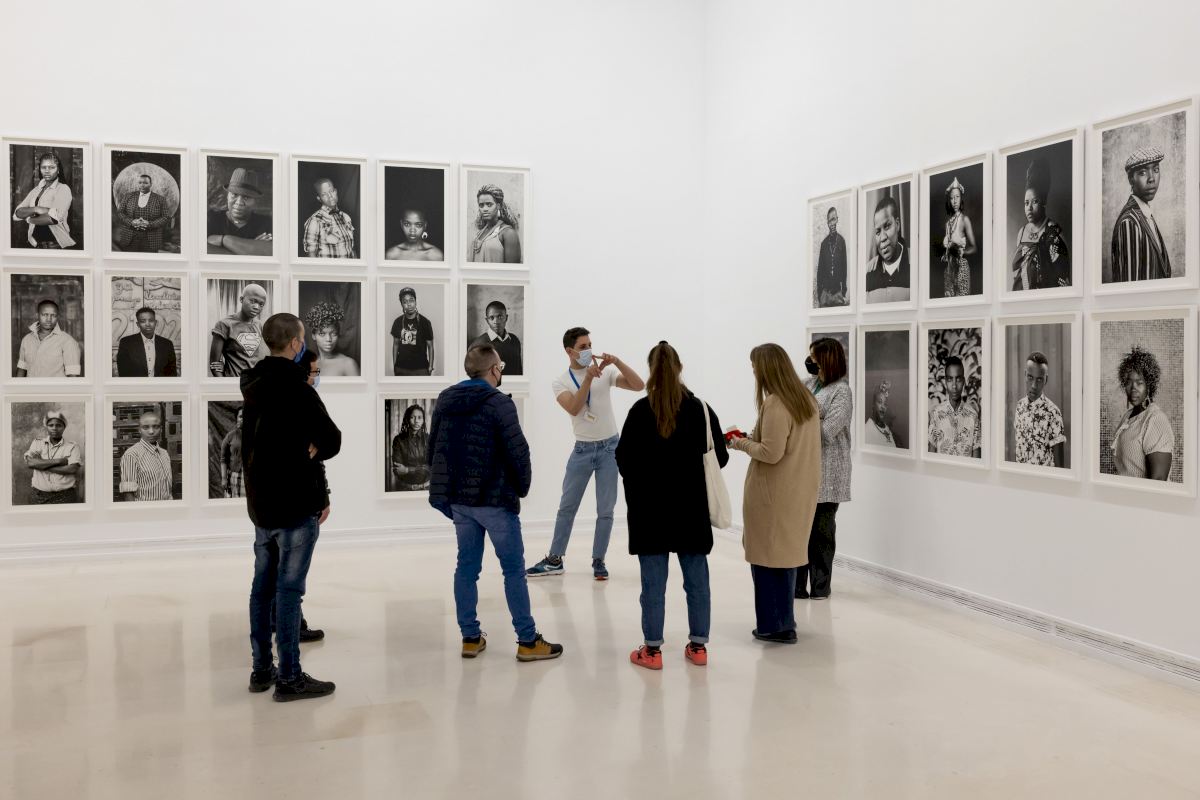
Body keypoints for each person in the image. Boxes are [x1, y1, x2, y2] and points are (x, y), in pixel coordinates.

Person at [428, 343, 562, 662]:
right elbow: (518, 452)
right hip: (494, 499)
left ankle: (470, 638)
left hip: (460, 501)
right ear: (493, 370)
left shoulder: (446, 399)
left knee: (466, 567)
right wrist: (521, 487)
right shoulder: (500, 403)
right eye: (500, 366)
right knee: (513, 569)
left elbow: (433, 448)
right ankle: (527, 641)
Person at [242, 313, 341, 700]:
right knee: (288, 592)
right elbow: (331, 438)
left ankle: (261, 670)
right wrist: (313, 445)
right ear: (296, 344)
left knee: (261, 590)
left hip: (262, 505)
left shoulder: (252, 384)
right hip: (295, 504)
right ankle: (289, 678)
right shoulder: (298, 389)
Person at [616, 341, 725, 669]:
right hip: (691, 509)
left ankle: (652, 652)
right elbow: (719, 457)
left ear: (651, 370)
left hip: (649, 511)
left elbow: (623, 459)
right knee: (697, 582)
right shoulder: (700, 409)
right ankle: (699, 647)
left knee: (653, 585)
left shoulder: (639, 410)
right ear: (680, 368)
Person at [528, 328, 645, 580]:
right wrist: (588, 379)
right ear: (569, 351)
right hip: (582, 450)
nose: (589, 350)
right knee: (567, 507)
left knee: (606, 510)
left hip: (610, 448)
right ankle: (555, 559)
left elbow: (639, 385)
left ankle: (598, 560)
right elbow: (574, 407)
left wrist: (618, 362)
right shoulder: (560, 381)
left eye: (590, 344)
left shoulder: (606, 372)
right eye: (583, 347)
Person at [727, 343, 821, 644]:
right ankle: (785, 622)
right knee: (785, 559)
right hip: (797, 492)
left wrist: (738, 442)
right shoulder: (805, 399)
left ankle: (772, 626)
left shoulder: (776, 404)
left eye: (755, 366)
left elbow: (770, 453)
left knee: (766, 560)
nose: (754, 372)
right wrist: (749, 437)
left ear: (766, 369)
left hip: (773, 496)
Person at [798, 338, 852, 600]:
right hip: (804, 469)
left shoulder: (842, 391)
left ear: (826, 360)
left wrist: (806, 417)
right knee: (800, 531)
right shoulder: (808, 384)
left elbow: (827, 431)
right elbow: (791, 411)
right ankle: (797, 586)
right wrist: (815, 415)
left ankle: (820, 587)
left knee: (822, 533)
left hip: (830, 472)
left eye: (814, 357)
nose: (810, 361)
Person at [1111, 346, 1173, 480]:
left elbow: (1158, 480)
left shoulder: (1155, 420)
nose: (1133, 388)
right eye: (1129, 382)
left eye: (1139, 383)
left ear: (1149, 386)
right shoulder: (1128, 416)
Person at [1111, 146, 1170, 282]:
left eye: (1156, 170)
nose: (1151, 178)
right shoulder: (1129, 222)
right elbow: (1130, 286)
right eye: (1143, 173)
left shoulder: (1146, 215)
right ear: (1131, 179)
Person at [1011, 158, 1070, 290]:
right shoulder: (1021, 232)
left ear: (1043, 202)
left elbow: (1063, 280)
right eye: (1026, 203)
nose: (1029, 208)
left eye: (1035, 202)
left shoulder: (1054, 233)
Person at [12, 151, 75, 249]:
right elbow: (17, 214)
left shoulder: (63, 189)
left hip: (55, 245)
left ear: (58, 170)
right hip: (35, 244)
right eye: (43, 167)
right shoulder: (36, 190)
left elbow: (53, 219)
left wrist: (28, 218)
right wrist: (36, 209)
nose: (47, 171)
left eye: (52, 167)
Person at [1013, 351, 1065, 467]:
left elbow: (1060, 467)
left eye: (1039, 379)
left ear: (1046, 379)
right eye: (1030, 377)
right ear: (1025, 375)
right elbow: (1018, 448)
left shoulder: (1053, 412)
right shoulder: (1019, 406)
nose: (1034, 385)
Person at [207, 167, 273, 256]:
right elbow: (202, 250)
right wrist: (251, 247)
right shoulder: (212, 219)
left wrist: (224, 240)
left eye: (246, 197)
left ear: (255, 201)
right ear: (227, 196)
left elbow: (270, 252)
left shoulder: (266, 223)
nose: (239, 202)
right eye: (234, 195)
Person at [22, 410, 82, 505]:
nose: (54, 428)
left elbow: (72, 469)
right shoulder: (37, 443)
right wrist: (59, 461)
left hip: (65, 496)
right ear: (46, 427)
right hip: (39, 495)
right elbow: (30, 463)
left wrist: (41, 465)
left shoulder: (73, 446)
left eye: (58, 425)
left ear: (64, 427)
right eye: (51, 425)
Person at [927, 355, 981, 458]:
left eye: (958, 379)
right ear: (945, 381)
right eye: (950, 379)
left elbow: (976, 459)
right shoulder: (936, 414)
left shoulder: (973, 416)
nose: (954, 385)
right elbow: (930, 456)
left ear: (964, 381)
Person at [209, 283, 268, 378]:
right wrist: (225, 383)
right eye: (253, 301)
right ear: (241, 299)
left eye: (261, 304)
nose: (256, 307)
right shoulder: (224, 324)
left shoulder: (261, 325)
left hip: (256, 384)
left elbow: (259, 358)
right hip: (234, 383)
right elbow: (214, 364)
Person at [16, 299, 82, 378]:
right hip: (30, 386)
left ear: (57, 317)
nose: (49, 319)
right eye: (45, 315)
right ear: (37, 315)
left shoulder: (68, 341)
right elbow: (21, 369)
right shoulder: (27, 339)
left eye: (53, 315)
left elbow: (73, 376)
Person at [119, 410, 174, 502]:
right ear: (139, 430)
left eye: (155, 427)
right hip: (145, 510)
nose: (151, 431)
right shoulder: (131, 455)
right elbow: (128, 495)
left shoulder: (164, 453)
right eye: (146, 427)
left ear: (161, 429)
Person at [864, 195, 910, 303]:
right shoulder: (867, 272)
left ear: (897, 225)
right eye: (878, 232)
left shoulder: (917, 263)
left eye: (887, 226)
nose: (883, 238)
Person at [113, 173, 170, 252]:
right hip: (129, 238)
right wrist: (131, 222)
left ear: (151, 184)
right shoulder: (128, 196)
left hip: (151, 239)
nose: (142, 185)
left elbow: (166, 217)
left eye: (145, 183)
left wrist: (150, 224)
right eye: (140, 183)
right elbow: (120, 213)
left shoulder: (160, 199)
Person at [302, 177, 356, 259]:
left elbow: (351, 249)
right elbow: (311, 256)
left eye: (331, 191)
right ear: (319, 198)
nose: (330, 196)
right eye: (324, 194)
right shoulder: (315, 221)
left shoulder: (346, 217)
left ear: (336, 191)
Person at [116, 307, 178, 377]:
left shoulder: (167, 344)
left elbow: (172, 374)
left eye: (151, 320)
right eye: (143, 321)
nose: (147, 324)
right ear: (138, 324)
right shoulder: (126, 343)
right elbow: (123, 373)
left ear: (155, 323)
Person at [468, 184, 522, 263]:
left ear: (498, 206)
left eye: (489, 204)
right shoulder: (479, 233)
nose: (485, 209)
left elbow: (512, 269)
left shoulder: (508, 233)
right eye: (481, 205)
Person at [303, 302, 359, 377]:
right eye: (322, 334)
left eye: (333, 334)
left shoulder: (348, 364)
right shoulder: (308, 365)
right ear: (314, 336)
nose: (328, 339)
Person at [941, 178, 976, 297]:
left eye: (957, 197)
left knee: (962, 300)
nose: (955, 201)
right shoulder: (948, 224)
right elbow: (948, 248)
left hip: (961, 267)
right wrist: (945, 254)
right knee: (948, 301)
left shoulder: (965, 220)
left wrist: (962, 252)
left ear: (961, 198)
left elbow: (974, 248)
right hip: (949, 269)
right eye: (952, 198)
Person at [390, 287, 436, 377]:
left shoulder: (425, 322)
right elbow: (395, 344)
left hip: (421, 369)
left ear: (415, 301)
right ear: (402, 304)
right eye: (405, 302)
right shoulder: (397, 322)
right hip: (401, 369)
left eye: (411, 300)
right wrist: (395, 365)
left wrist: (430, 367)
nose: (409, 304)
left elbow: (430, 346)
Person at [470, 301, 522, 375]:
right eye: (491, 318)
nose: (496, 321)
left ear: (506, 318)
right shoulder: (478, 345)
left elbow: (519, 371)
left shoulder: (514, 340)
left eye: (500, 317)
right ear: (487, 320)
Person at [391, 404, 431, 491]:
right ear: (407, 419)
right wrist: (421, 468)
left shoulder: (429, 439)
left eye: (419, 417)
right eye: (412, 417)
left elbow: (432, 467)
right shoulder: (398, 440)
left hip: (427, 488)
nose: (416, 421)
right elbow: (397, 470)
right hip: (405, 488)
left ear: (423, 420)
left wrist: (407, 470)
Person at [815, 206, 848, 306]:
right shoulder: (824, 244)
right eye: (830, 221)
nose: (832, 223)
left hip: (838, 294)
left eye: (834, 219)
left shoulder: (841, 241)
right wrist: (820, 294)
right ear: (827, 223)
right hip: (825, 294)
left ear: (837, 219)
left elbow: (844, 268)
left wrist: (843, 292)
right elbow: (820, 271)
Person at [864, 381, 898, 447]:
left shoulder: (887, 428)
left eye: (885, 404)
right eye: (880, 402)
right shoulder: (867, 429)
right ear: (873, 405)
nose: (883, 407)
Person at [220, 407, 245, 499]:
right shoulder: (230, 436)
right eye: (241, 416)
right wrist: (224, 478)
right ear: (236, 418)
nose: (243, 419)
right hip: (235, 476)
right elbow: (223, 459)